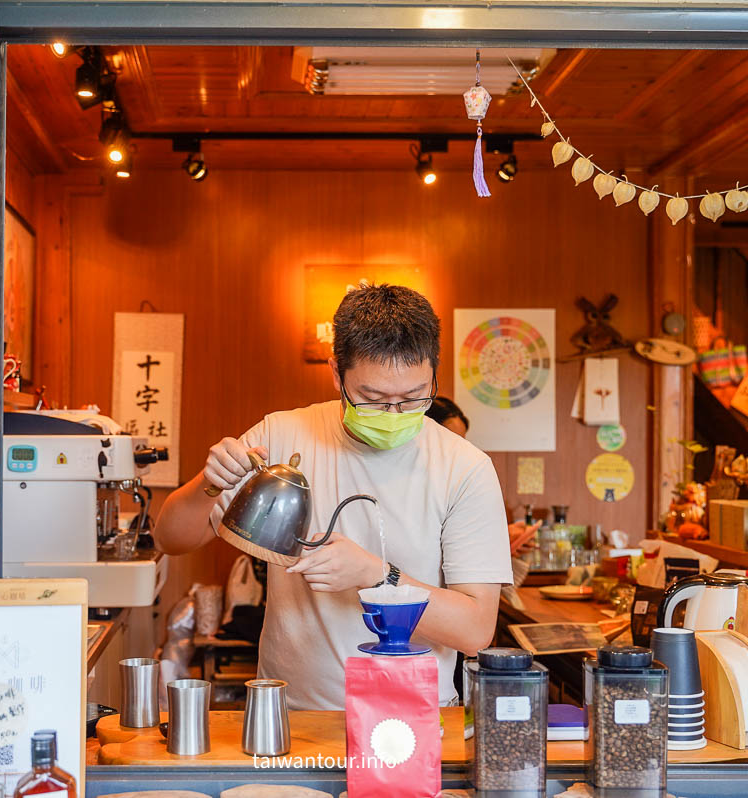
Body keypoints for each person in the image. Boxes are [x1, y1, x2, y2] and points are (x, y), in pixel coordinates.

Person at [154, 284, 512, 710]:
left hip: (412, 720)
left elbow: (474, 631)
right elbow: (171, 540)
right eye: (373, 398)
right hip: (291, 716)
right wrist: (207, 485)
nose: (393, 414)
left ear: (434, 371)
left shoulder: (464, 467)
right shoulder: (282, 435)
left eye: (414, 397)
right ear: (335, 373)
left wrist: (375, 575)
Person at [426, 396, 539, 556]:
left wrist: (503, 539)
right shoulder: (417, 484)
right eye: (450, 440)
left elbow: (465, 535)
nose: (456, 450)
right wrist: (497, 539)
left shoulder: (460, 478)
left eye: (461, 442)